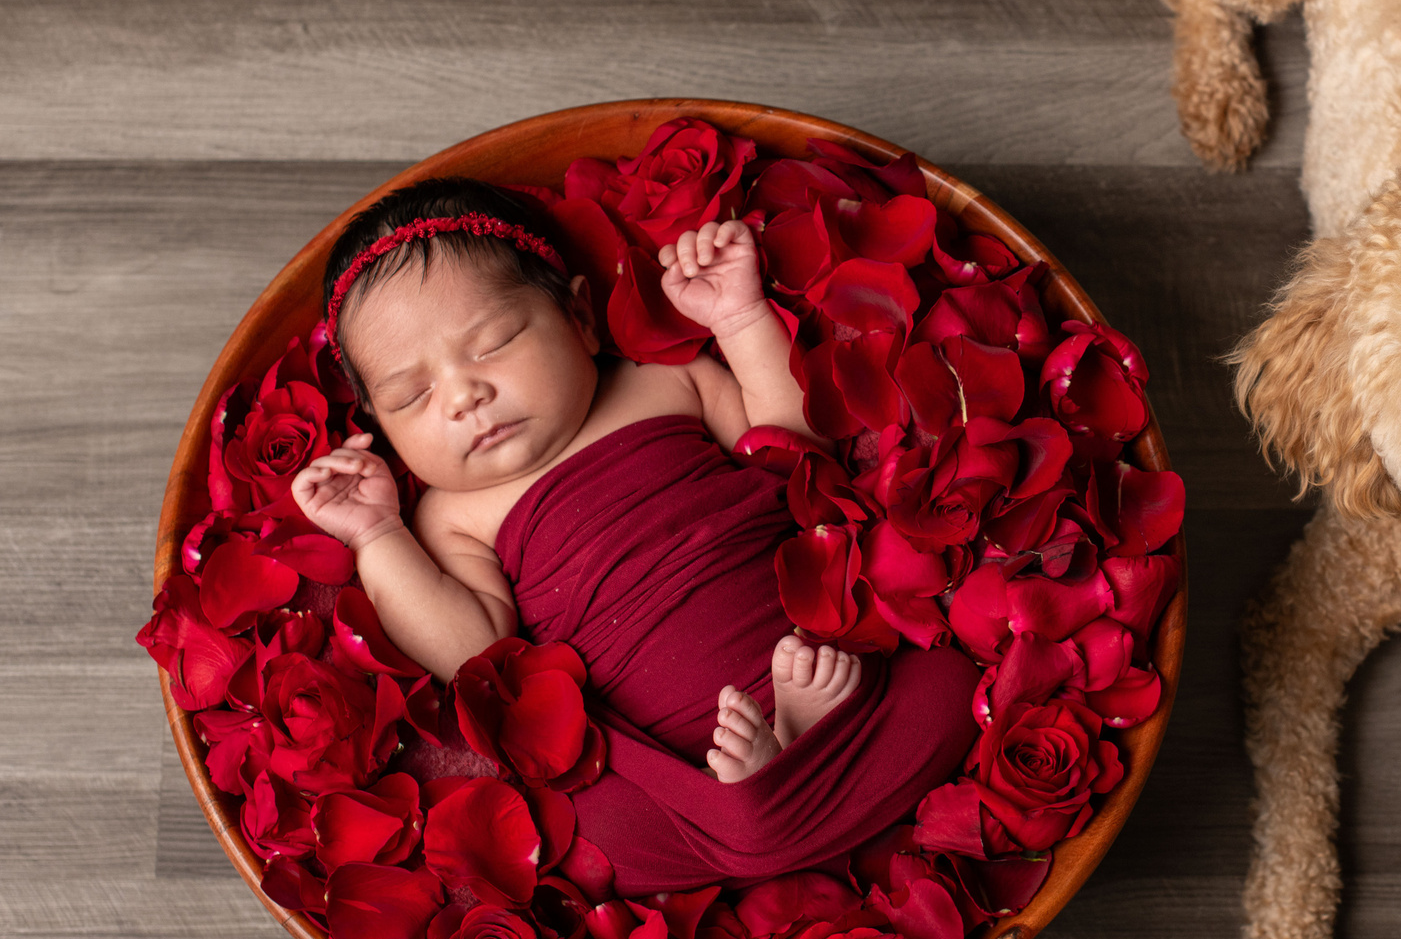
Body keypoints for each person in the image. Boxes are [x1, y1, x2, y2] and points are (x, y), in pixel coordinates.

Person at [287, 178, 980, 890]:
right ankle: (763, 792)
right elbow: (471, 649)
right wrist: (376, 534)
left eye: (493, 343)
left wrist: (740, 318)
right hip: (677, 760)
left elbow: (792, 444)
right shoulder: (451, 514)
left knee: (952, 686)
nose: (464, 395)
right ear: (384, 431)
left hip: (805, 646)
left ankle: (780, 784)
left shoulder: (665, 381)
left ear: (581, 317)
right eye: (413, 396)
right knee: (601, 836)